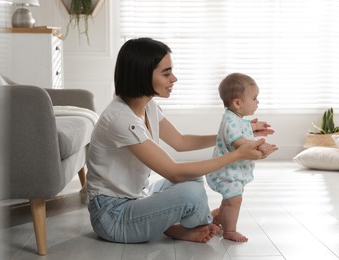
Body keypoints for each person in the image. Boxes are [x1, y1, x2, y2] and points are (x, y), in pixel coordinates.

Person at [86, 38, 277, 244]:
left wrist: (234, 137)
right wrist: (238, 154)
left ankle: (176, 227)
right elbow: (173, 171)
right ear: (142, 73)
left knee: (193, 178)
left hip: (138, 197)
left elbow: (181, 142)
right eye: (166, 73)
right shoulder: (120, 119)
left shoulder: (148, 107)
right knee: (190, 191)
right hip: (113, 217)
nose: (174, 79)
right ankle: (205, 220)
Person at [206, 73, 277, 242]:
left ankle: (217, 218)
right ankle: (230, 231)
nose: (257, 102)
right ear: (238, 103)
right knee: (235, 199)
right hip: (226, 172)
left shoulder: (235, 118)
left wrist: (255, 126)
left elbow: (242, 127)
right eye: (254, 98)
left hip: (232, 172)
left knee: (230, 200)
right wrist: (260, 145)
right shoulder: (230, 120)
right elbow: (240, 142)